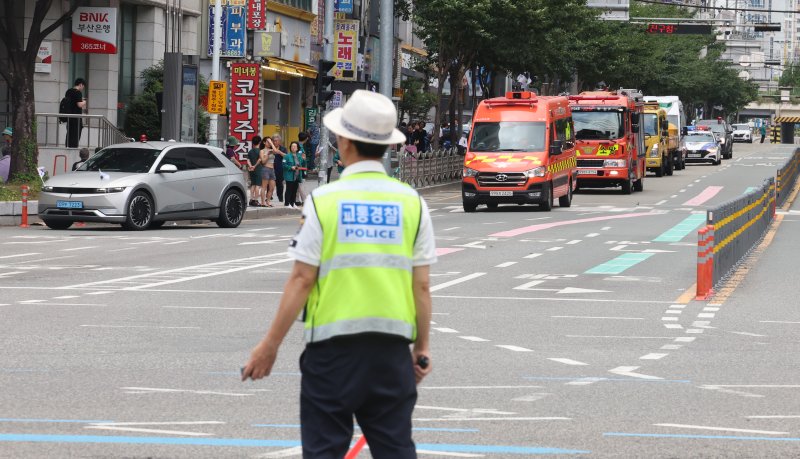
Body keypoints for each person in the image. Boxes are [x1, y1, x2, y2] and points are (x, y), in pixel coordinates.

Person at [243, 90, 436, 458]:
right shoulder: (412, 203)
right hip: (391, 352)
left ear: (344, 140)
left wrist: (270, 345)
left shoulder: (324, 201)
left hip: (331, 354)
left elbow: (302, 279)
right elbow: (421, 286)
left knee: (324, 451)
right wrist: (421, 348)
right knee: (396, 450)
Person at [259, 137, 281, 207]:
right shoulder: (262, 151)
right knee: (264, 187)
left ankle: (268, 201)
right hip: (265, 169)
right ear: (264, 142)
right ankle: (262, 202)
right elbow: (263, 161)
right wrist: (267, 154)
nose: (269, 143)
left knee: (272, 187)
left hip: (272, 169)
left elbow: (276, 151)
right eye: (268, 142)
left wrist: (271, 143)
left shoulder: (272, 150)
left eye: (270, 142)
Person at [65, 78, 87, 148]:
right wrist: (84, 102)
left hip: (69, 117)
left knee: (69, 133)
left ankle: (67, 146)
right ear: (80, 84)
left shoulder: (68, 91)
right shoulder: (78, 92)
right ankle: (73, 147)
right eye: (83, 86)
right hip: (76, 118)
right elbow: (79, 104)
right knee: (76, 133)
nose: (82, 88)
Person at [282, 141, 303, 208]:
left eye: (295, 146)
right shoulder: (287, 156)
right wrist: (290, 167)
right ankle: (287, 203)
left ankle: (292, 202)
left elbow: (301, 164)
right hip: (289, 175)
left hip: (297, 175)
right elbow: (283, 165)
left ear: (297, 148)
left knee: (294, 190)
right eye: (292, 146)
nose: (293, 148)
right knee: (289, 189)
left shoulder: (299, 156)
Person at [246, 135, 263, 207]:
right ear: (260, 142)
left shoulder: (250, 151)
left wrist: (251, 166)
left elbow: (248, 160)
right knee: (257, 185)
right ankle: (256, 200)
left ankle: (251, 199)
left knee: (253, 184)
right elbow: (260, 160)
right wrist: (255, 166)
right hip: (258, 169)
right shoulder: (260, 151)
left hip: (251, 170)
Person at [271, 133, 287, 204]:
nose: (275, 142)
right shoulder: (270, 148)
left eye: (277, 141)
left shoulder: (283, 148)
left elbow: (286, 157)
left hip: (280, 168)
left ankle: (280, 197)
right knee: (270, 183)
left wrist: (280, 152)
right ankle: (269, 196)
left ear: (280, 141)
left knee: (279, 184)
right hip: (271, 168)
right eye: (274, 141)